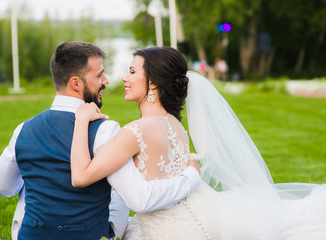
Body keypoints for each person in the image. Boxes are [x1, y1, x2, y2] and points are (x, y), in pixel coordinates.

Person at [70, 46, 326, 239]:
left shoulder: (134, 132)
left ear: (154, 82)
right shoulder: (175, 125)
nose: (125, 78)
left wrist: (81, 120)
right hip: (196, 220)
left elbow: (81, 176)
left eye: (133, 71)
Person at [0, 42, 201, 240]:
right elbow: (134, 196)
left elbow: (2, 186)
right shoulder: (106, 130)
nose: (107, 81)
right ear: (76, 83)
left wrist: (39, 178)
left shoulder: (23, 129)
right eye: (100, 75)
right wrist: (191, 176)